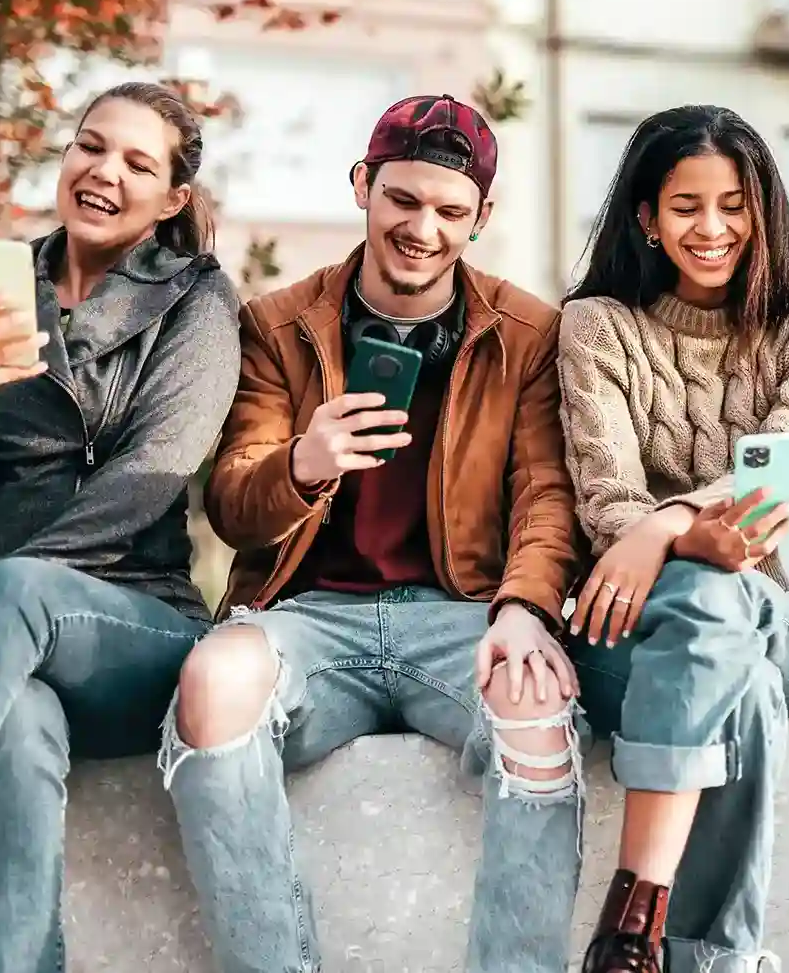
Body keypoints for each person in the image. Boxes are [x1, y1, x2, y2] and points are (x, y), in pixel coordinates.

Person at [162, 95, 582, 973]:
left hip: (462, 612)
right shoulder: (276, 325)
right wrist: (305, 464)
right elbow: (232, 506)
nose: (422, 228)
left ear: (481, 218)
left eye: (449, 211)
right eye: (402, 200)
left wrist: (524, 609)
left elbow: (547, 496)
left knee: (538, 703)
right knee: (212, 681)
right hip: (310, 614)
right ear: (363, 185)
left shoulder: (530, 333)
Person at [0, 81, 241, 972]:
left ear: (172, 199)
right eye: (88, 145)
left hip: (130, 623)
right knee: (15, 725)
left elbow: (149, 483)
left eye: (137, 163)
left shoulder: (196, 303)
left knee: (13, 594)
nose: (103, 172)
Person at [556, 104, 789, 973]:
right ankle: (703, 959)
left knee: (720, 596)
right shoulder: (597, 326)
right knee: (743, 689)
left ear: (763, 211)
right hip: (628, 633)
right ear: (647, 217)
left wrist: (670, 525)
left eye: (733, 205)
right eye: (686, 206)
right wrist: (666, 534)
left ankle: (628, 926)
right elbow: (605, 499)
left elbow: (773, 493)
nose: (712, 228)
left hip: (770, 614)